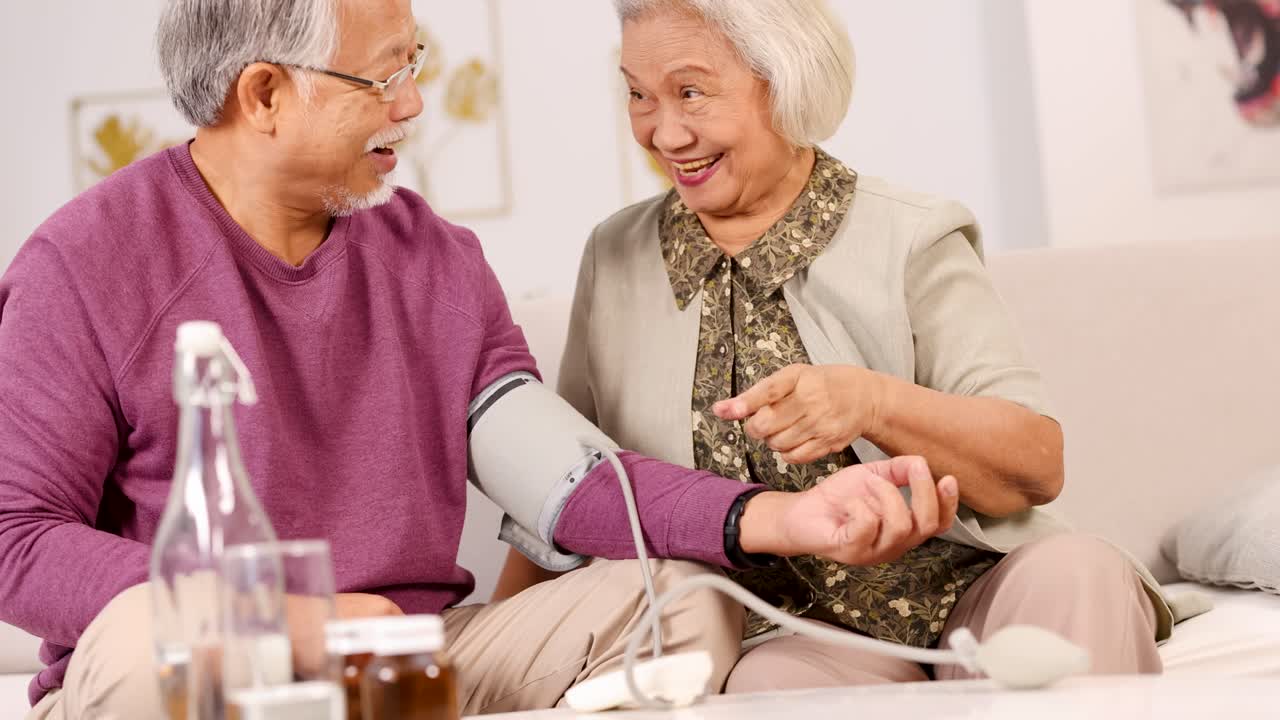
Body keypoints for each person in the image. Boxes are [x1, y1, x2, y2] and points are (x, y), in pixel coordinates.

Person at [0, 0, 965, 717]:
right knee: (149, 636)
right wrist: (294, 624)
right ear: (264, 95)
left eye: (413, 63)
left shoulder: (432, 257)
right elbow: (16, 536)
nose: (413, 102)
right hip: (205, 673)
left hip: (408, 666)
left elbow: (568, 482)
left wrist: (783, 516)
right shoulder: (86, 262)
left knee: (674, 601)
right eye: (383, 77)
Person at [496, 0, 1176, 692]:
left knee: (1080, 572)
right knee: (773, 689)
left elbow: (1035, 463)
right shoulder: (615, 256)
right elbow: (560, 485)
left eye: (691, 92)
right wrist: (494, 670)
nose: (663, 133)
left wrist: (872, 403)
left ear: (785, 83)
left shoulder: (912, 234)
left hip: (975, 591)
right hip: (789, 635)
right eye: (639, 95)